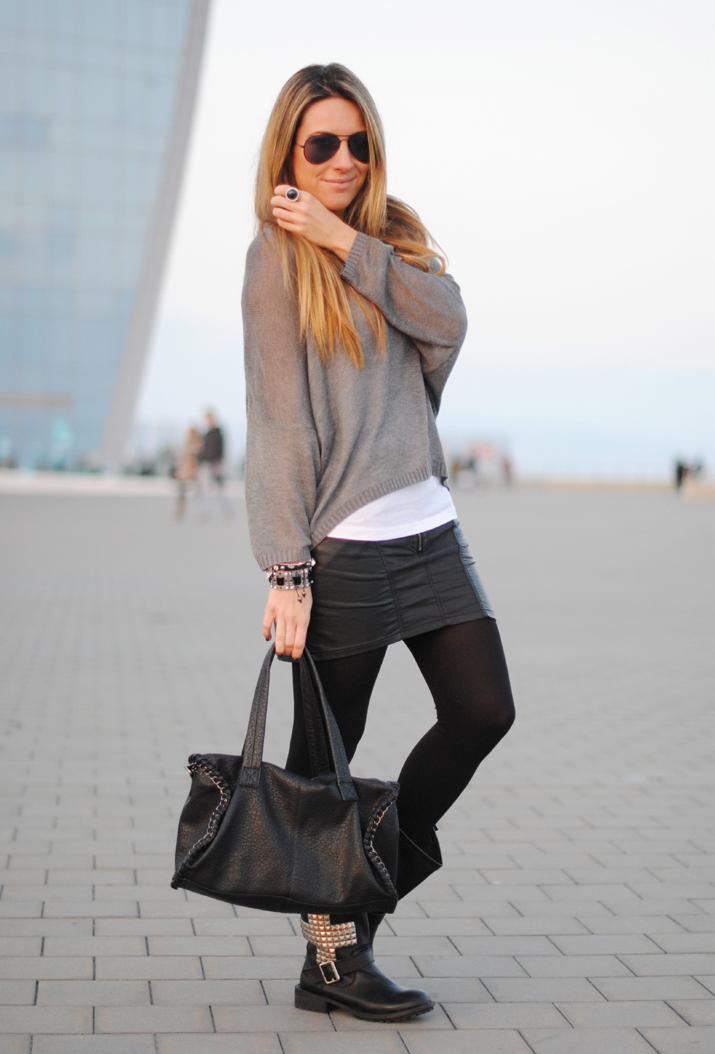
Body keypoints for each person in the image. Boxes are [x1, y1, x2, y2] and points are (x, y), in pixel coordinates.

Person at [241, 62, 516, 1023]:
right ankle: (331, 960)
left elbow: (448, 322)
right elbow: (278, 421)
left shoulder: (391, 239)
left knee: (483, 711)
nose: (343, 159)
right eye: (322, 144)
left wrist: (348, 242)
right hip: (343, 550)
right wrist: (285, 568)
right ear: (288, 151)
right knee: (322, 768)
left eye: (357, 141)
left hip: (429, 528)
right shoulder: (272, 264)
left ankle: (358, 903)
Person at [197, 409, 231, 518]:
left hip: (215, 463)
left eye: (208, 419)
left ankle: (226, 510)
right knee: (205, 488)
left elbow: (221, 449)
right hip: (206, 463)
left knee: (219, 488)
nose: (207, 421)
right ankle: (205, 511)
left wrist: (219, 462)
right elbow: (204, 449)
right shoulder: (207, 433)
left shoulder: (218, 433)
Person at [173, 424, 203, 520]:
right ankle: (180, 511)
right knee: (182, 493)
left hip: (192, 471)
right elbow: (182, 460)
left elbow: (196, 460)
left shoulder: (197, 445)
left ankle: (198, 513)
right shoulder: (187, 445)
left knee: (196, 493)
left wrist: (193, 471)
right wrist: (180, 471)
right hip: (185, 471)